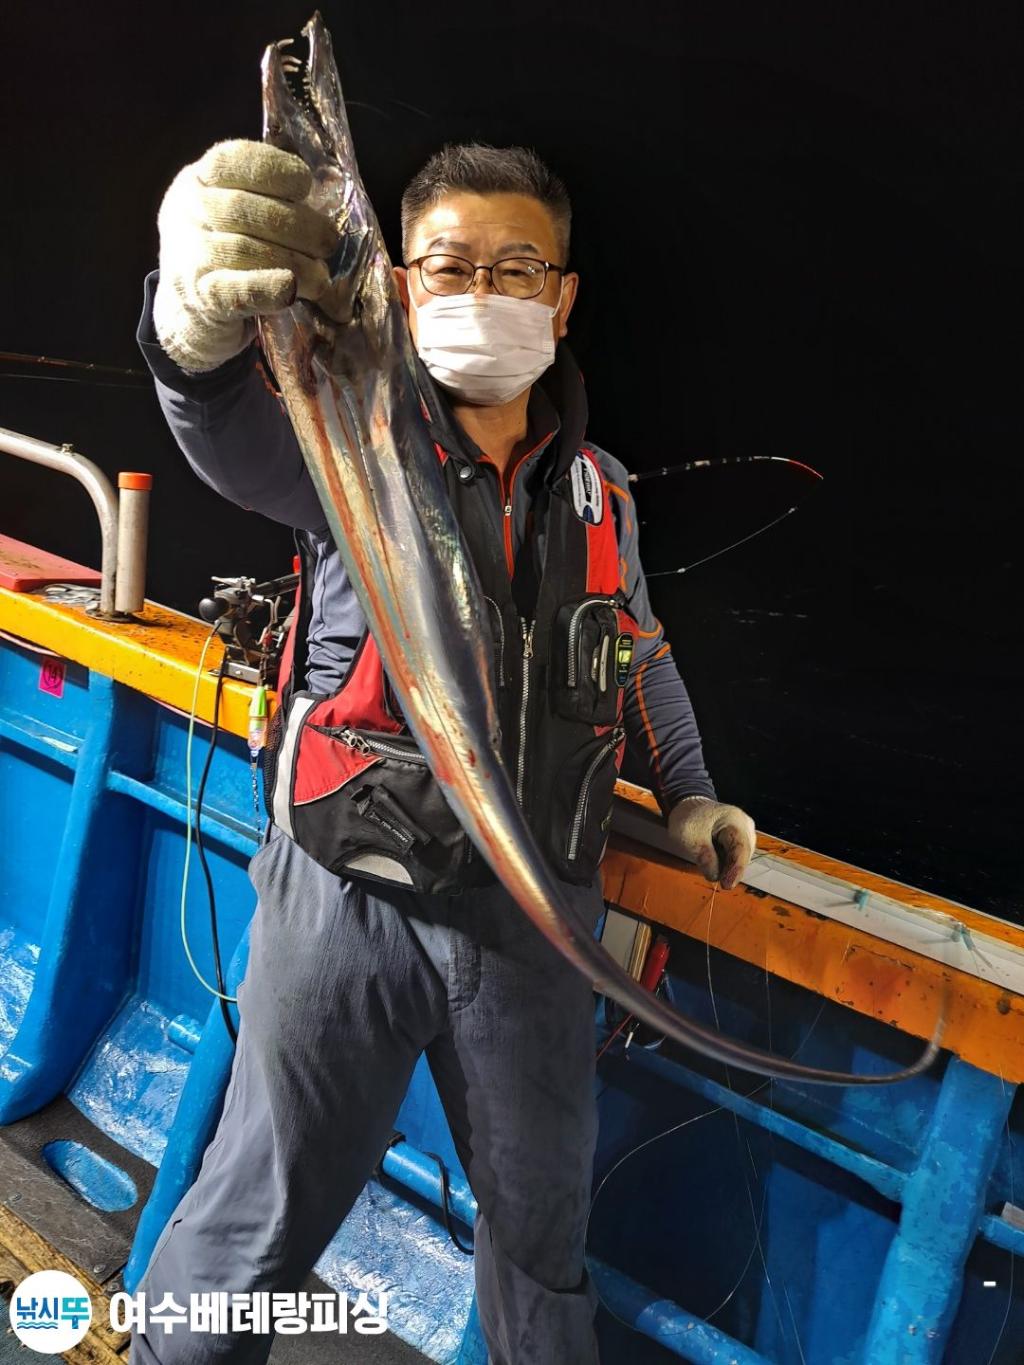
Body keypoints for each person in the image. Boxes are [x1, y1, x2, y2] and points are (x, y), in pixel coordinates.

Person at [130, 137, 757, 1365]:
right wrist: (187, 331)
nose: (484, 291)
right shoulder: (347, 440)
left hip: (535, 912)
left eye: (517, 268)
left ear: (562, 299)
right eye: (451, 266)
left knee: (540, 1236)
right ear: (402, 286)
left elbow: (639, 650)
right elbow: (223, 432)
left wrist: (690, 796)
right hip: (346, 893)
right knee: (260, 1210)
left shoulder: (604, 491)